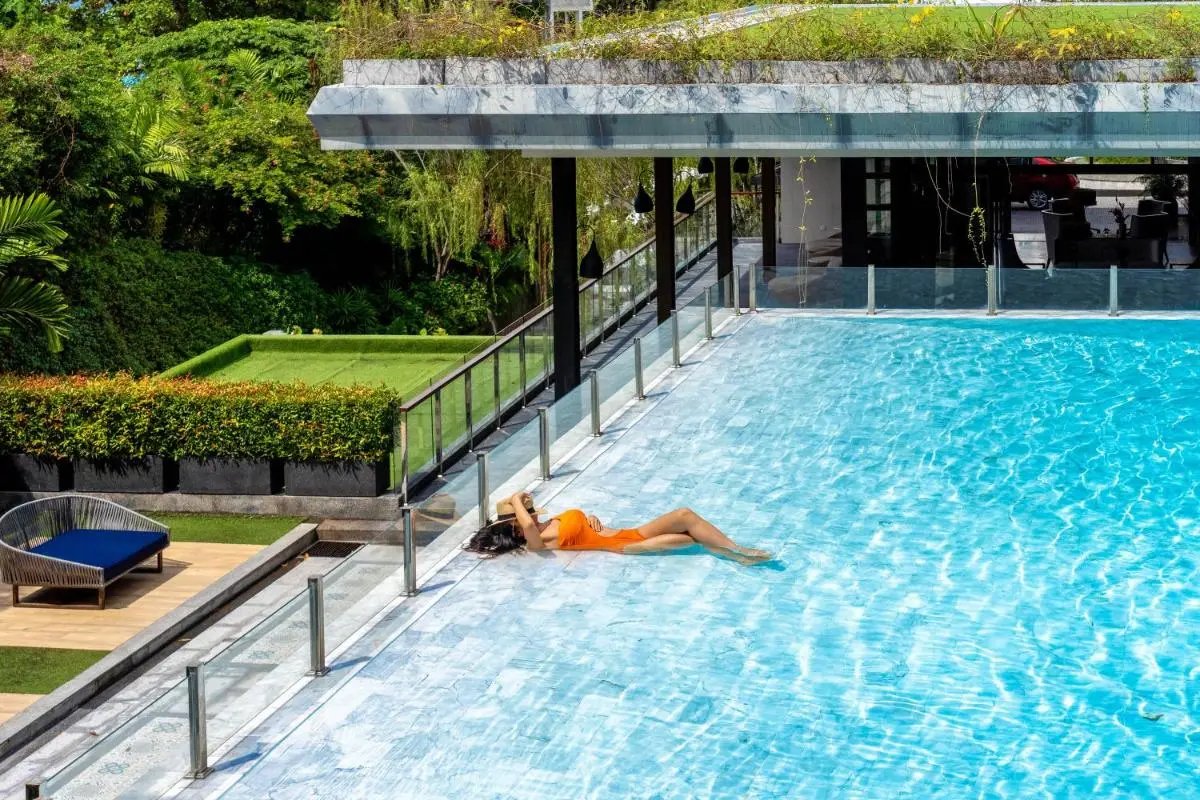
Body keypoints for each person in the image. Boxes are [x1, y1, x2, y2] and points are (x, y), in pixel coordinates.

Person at [465, 492, 772, 565]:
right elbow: (526, 524)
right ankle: (739, 557)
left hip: (632, 531)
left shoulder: (548, 522)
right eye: (523, 513)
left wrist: (590, 519)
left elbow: (579, 523)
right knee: (686, 538)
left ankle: (737, 548)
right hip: (624, 546)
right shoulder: (538, 540)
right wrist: (516, 498)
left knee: (685, 514)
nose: (529, 511)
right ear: (517, 525)